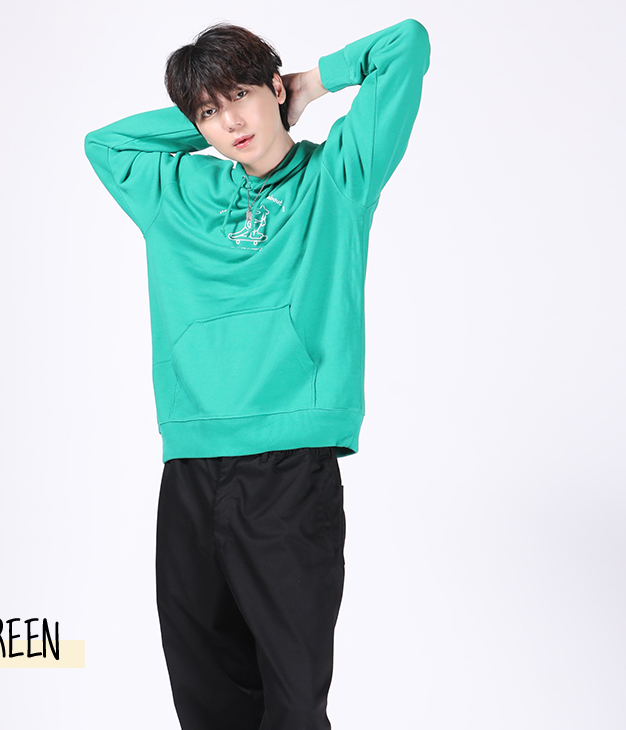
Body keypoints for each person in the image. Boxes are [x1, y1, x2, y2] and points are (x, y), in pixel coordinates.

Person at [84, 17, 430, 730]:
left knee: (293, 702)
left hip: (289, 468)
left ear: (273, 88)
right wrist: (204, 120)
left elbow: (406, 45)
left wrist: (310, 84)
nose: (230, 123)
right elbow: (105, 144)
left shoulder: (338, 179)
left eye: (240, 96)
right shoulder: (178, 193)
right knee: (206, 698)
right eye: (208, 111)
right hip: (190, 466)